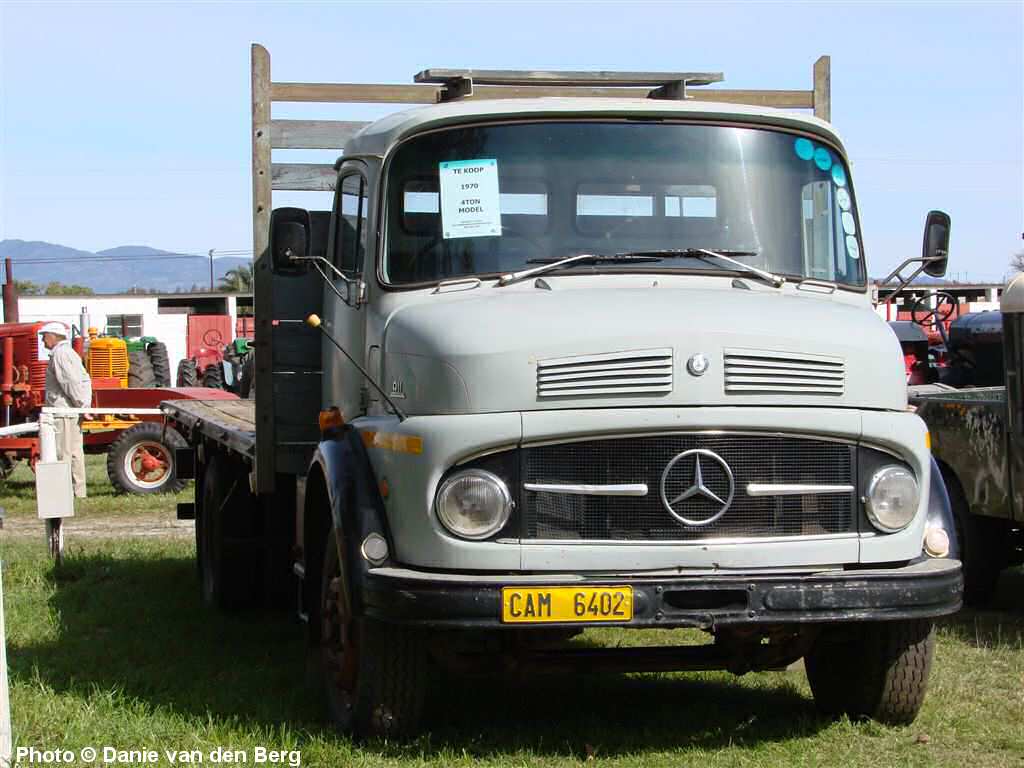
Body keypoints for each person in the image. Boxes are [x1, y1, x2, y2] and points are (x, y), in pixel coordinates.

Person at [39, 322, 92, 498]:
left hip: (64, 412)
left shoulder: (60, 355)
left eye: (44, 336)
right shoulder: (66, 353)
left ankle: (66, 493)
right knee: (75, 452)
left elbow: (71, 383)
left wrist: (82, 406)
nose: (43, 340)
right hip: (70, 411)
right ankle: (78, 492)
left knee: (64, 453)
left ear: (54, 336)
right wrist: (83, 406)